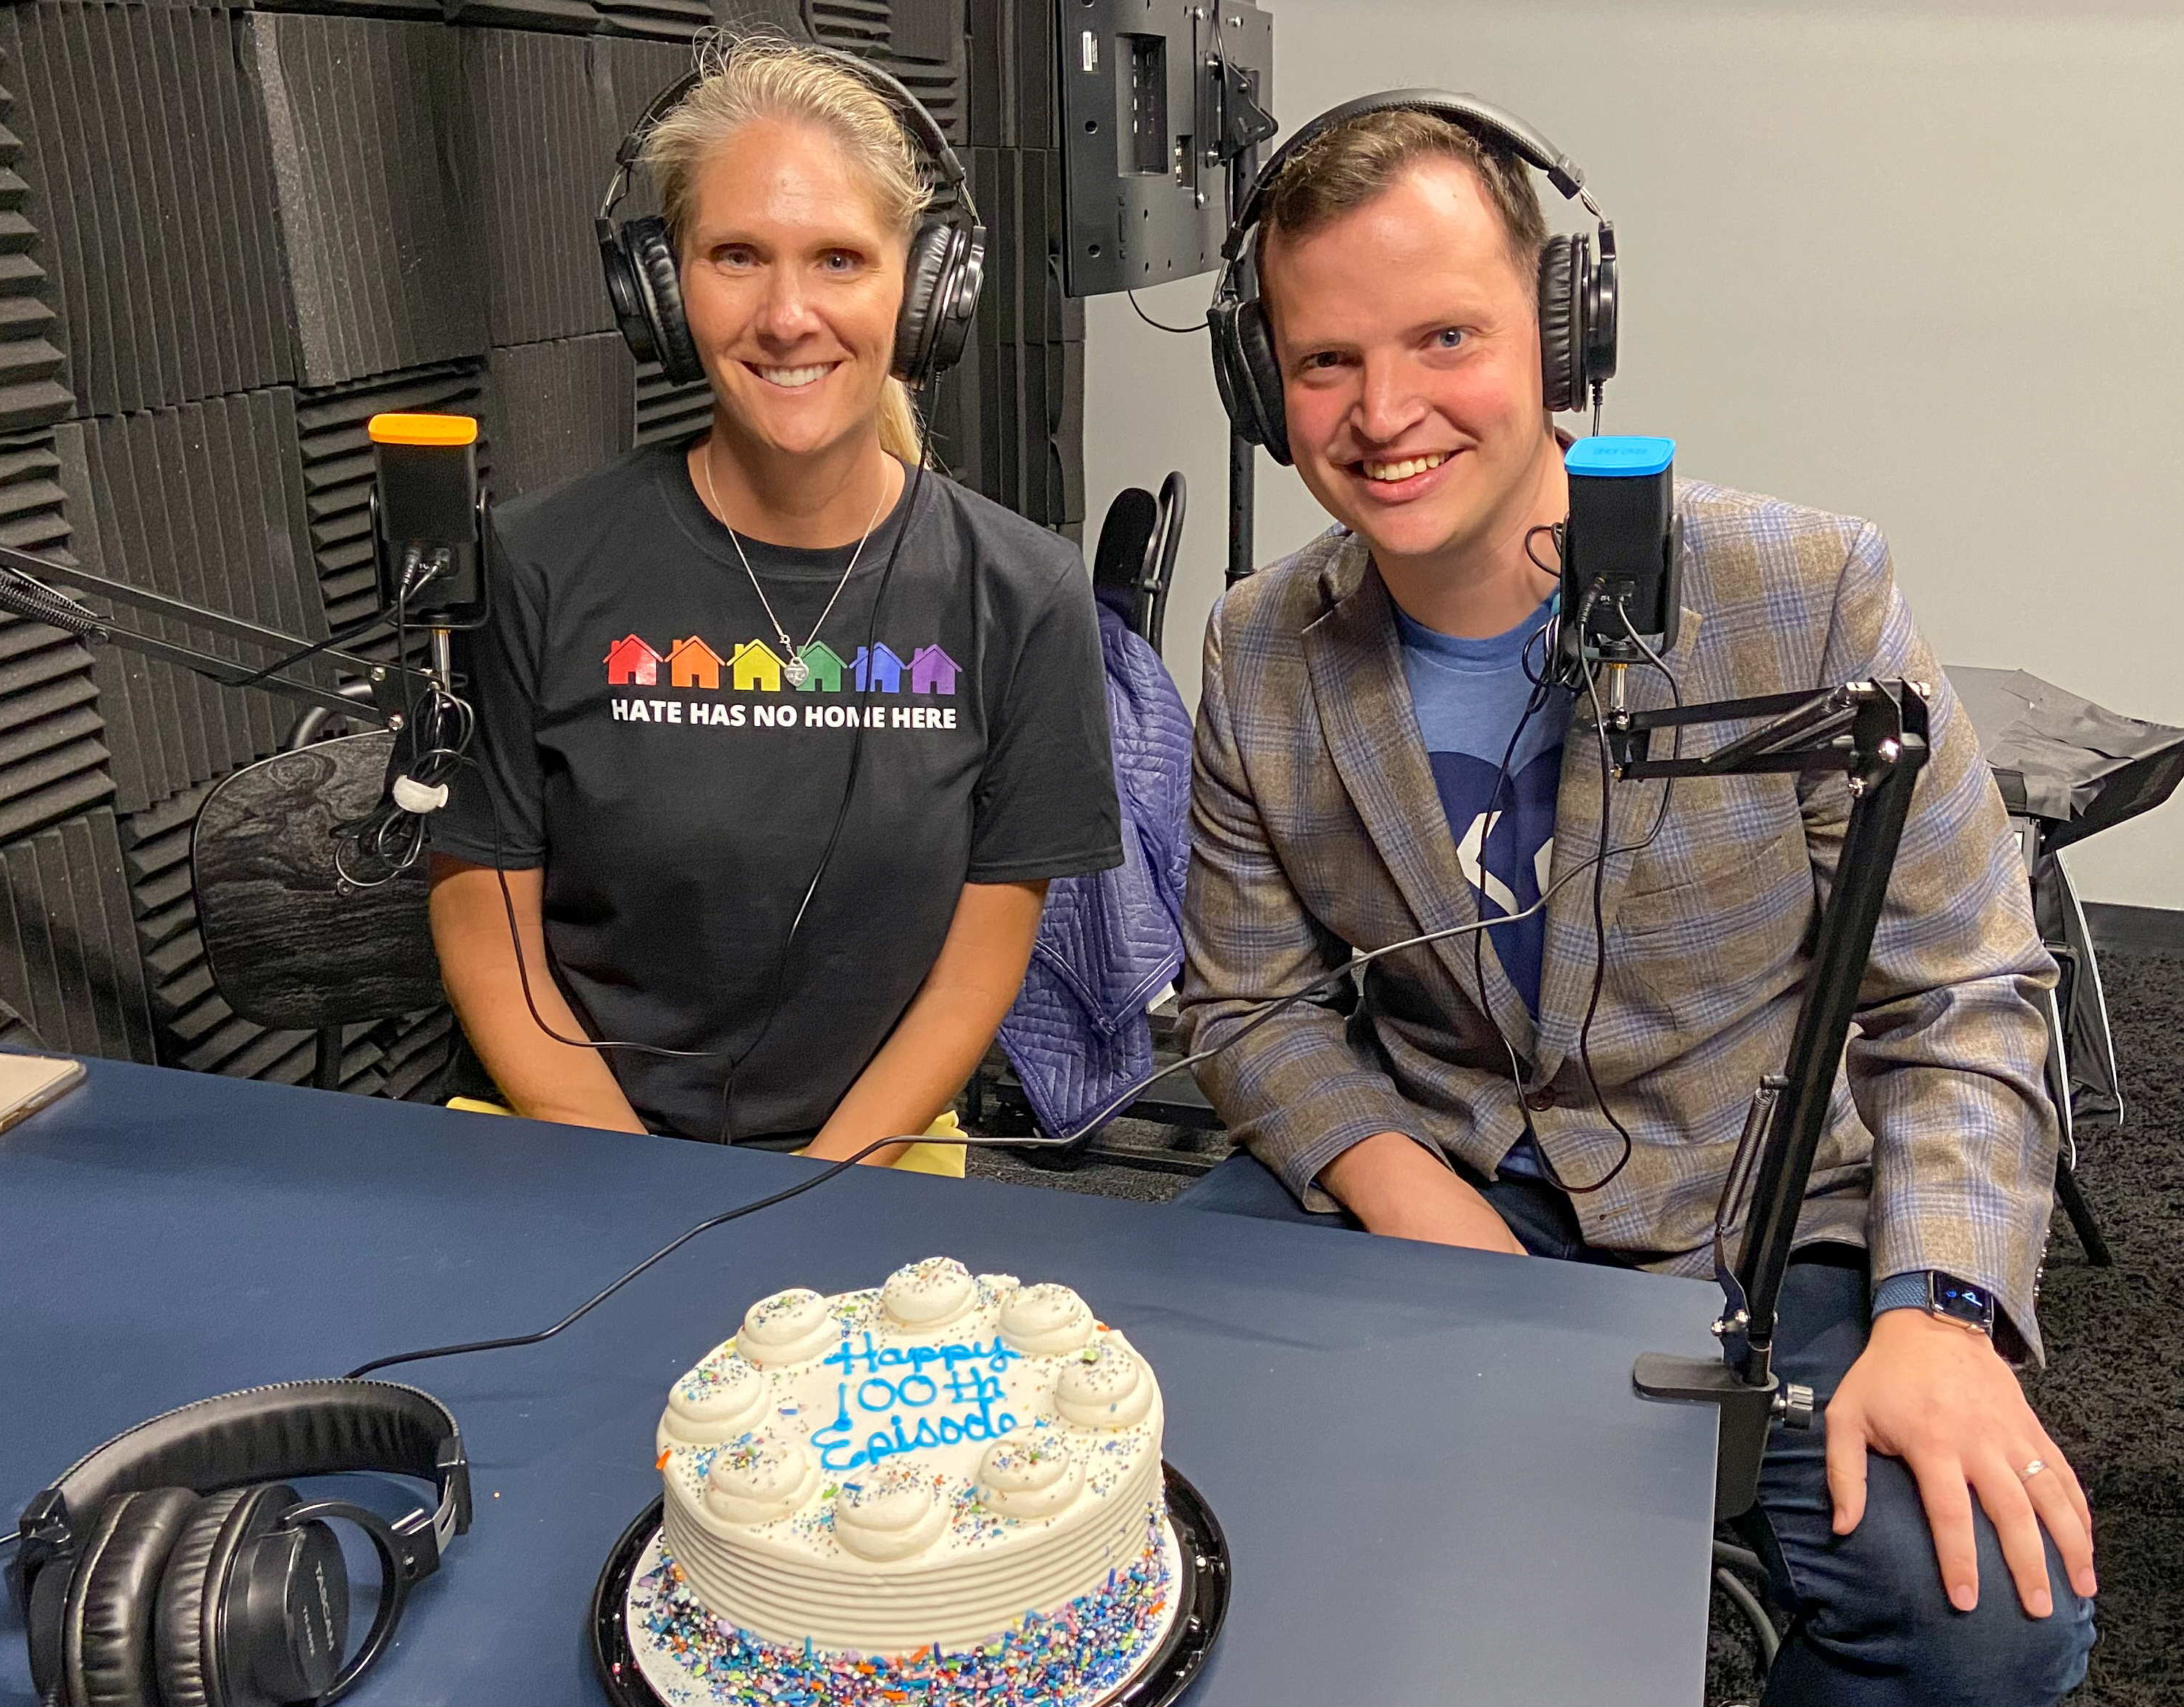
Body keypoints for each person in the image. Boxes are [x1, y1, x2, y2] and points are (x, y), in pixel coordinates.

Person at [1174, 97, 2096, 1703]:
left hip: (1763, 1201)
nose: (1381, 411)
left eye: (1443, 335)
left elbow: (1959, 988)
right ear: (1264, 383)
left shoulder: (1799, 589)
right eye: (1323, 359)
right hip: (1447, 1164)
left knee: (1976, 1619)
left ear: (1560, 331)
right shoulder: (1262, 647)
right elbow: (1247, 1006)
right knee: (1143, 1455)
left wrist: (1940, 1309)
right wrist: (1413, 1195)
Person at [430, 36, 1119, 1167]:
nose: (788, 313)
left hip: (871, 1157)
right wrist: (644, 1192)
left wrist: (817, 1195)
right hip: (569, 1148)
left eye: (840, 259)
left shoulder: (1027, 592)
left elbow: (973, 972)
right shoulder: (530, 563)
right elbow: (484, 932)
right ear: (661, 287)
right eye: (737, 255)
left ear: (929, 286)